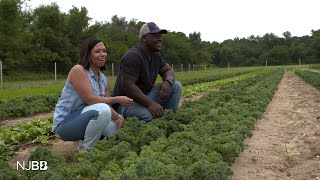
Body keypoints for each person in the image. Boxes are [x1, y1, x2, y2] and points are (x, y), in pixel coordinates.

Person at [52, 37, 133, 150]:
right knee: (103, 110)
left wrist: (119, 117)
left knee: (116, 132)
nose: (103, 54)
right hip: (65, 125)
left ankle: (84, 140)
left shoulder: (104, 79)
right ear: (88, 55)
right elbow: (91, 100)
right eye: (97, 51)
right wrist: (118, 99)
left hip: (85, 117)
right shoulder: (78, 70)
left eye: (104, 51)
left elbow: (107, 106)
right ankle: (86, 149)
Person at [112, 22, 182, 122]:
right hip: (126, 103)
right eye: (155, 35)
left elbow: (168, 70)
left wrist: (168, 82)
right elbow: (128, 86)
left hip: (144, 97)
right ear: (144, 38)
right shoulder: (133, 57)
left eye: (160, 35)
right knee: (149, 116)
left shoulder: (156, 55)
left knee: (176, 86)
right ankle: (149, 119)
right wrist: (151, 104)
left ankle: (167, 120)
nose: (160, 38)